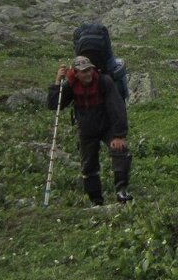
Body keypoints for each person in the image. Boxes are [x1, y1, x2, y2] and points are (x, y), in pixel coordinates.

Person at [47, 55, 132, 206]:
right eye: (83, 71)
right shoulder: (71, 85)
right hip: (86, 129)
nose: (87, 74)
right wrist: (57, 81)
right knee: (88, 166)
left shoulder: (104, 81)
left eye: (89, 70)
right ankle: (96, 200)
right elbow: (55, 105)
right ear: (75, 73)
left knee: (121, 152)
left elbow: (117, 107)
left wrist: (119, 135)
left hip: (107, 126)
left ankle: (121, 192)